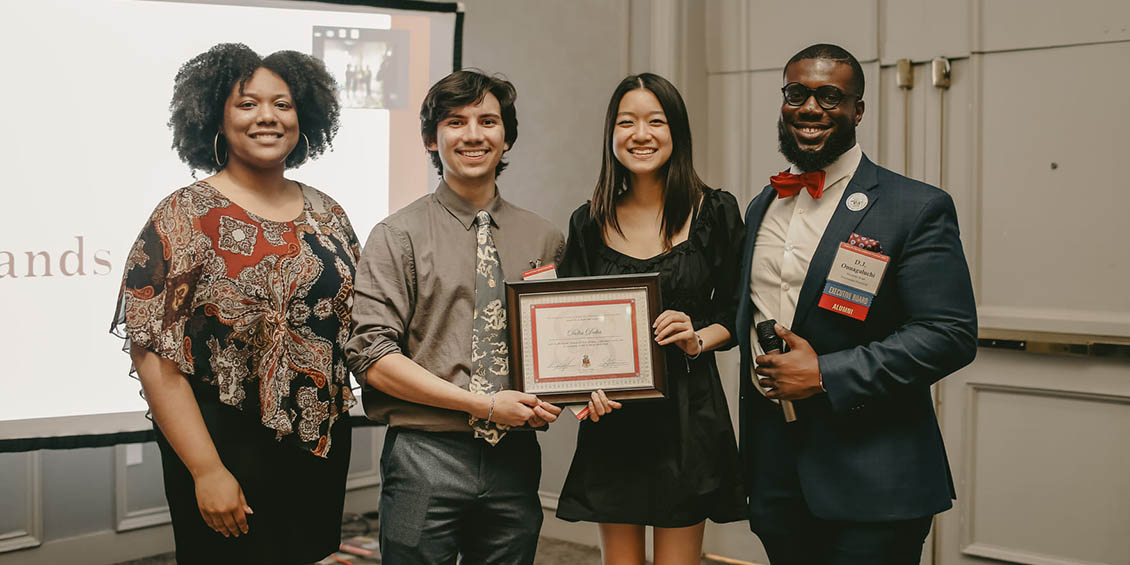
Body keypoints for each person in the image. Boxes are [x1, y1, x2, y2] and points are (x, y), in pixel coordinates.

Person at [111, 43, 358, 564]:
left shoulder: (328, 213)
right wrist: (206, 470)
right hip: (221, 447)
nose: (267, 116)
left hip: (317, 443)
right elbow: (153, 356)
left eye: (283, 104)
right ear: (215, 119)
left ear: (304, 116)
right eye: (247, 104)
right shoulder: (184, 214)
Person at [735, 43, 978, 564]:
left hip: (874, 478)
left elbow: (948, 334)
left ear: (857, 111)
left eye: (830, 97)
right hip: (778, 474)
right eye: (796, 94)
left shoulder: (915, 207)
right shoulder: (763, 206)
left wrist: (825, 373)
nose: (810, 109)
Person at [345, 69, 565, 564]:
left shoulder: (544, 239)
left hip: (514, 457)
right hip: (424, 456)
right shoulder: (396, 236)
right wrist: (483, 404)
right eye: (455, 121)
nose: (472, 134)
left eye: (488, 121)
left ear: (506, 137)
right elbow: (373, 357)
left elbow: (556, 344)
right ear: (431, 137)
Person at [555, 73, 747, 564]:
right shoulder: (588, 221)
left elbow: (738, 308)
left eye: (655, 121)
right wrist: (582, 396)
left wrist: (697, 337)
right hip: (613, 420)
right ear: (611, 135)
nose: (641, 134)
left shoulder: (716, 211)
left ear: (676, 131)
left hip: (688, 414)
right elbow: (567, 327)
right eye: (627, 122)